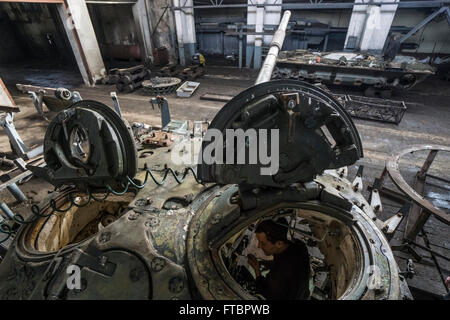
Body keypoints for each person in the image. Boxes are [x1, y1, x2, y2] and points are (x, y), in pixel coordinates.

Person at [247, 218, 310, 300]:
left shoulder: (279, 276)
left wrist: (257, 270)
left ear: (279, 244)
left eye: (262, 243)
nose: (259, 246)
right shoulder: (298, 245)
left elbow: (265, 293)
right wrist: (267, 263)